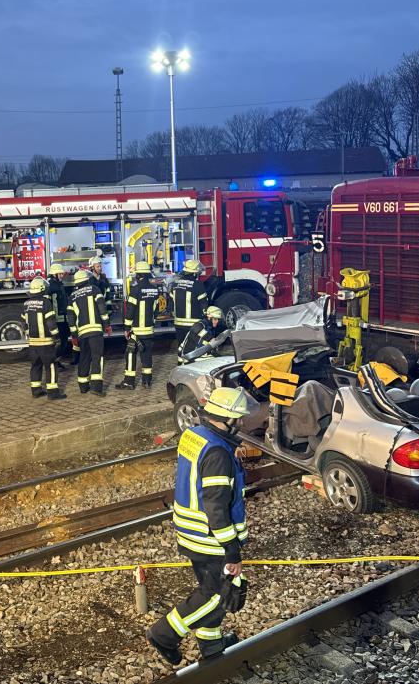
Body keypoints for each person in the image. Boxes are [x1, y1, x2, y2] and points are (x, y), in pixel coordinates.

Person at [146, 386, 250, 666]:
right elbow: (217, 508)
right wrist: (232, 549)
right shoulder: (218, 454)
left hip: (190, 532)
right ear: (228, 419)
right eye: (239, 419)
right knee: (218, 595)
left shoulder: (195, 436)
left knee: (208, 588)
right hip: (211, 539)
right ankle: (164, 634)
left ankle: (212, 646)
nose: (241, 423)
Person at [116, 261, 159, 390]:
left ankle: (129, 382)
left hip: (136, 331)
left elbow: (130, 310)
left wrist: (127, 328)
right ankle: (146, 381)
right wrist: (152, 323)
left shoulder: (135, 289)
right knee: (147, 354)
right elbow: (156, 310)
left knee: (130, 353)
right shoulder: (154, 289)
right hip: (149, 329)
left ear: (138, 275)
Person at [22, 277, 65, 400]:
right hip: (46, 342)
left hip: (33, 343)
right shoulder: (46, 303)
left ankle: (36, 390)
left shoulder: (26, 304)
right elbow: (51, 322)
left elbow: (24, 323)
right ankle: (53, 393)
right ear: (42, 289)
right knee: (51, 366)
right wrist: (56, 336)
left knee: (35, 366)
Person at [68, 269, 109, 395]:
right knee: (97, 357)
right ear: (87, 279)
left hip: (82, 333)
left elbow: (70, 317)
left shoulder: (72, 296)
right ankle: (96, 387)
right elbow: (102, 307)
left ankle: (83, 386)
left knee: (84, 358)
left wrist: (74, 334)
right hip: (95, 330)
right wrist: (106, 324)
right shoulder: (95, 289)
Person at [171, 259, 208, 349]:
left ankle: (181, 362)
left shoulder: (175, 284)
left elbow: (171, 303)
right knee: (191, 348)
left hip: (178, 323)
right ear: (194, 273)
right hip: (193, 325)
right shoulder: (198, 285)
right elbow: (203, 304)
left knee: (181, 347)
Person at [46, 263, 74, 366]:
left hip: (61, 318)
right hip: (58, 319)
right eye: (60, 274)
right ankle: (53, 362)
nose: (62, 276)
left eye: (62, 274)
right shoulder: (52, 286)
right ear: (54, 274)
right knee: (61, 341)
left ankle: (55, 361)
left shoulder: (56, 284)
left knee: (63, 341)